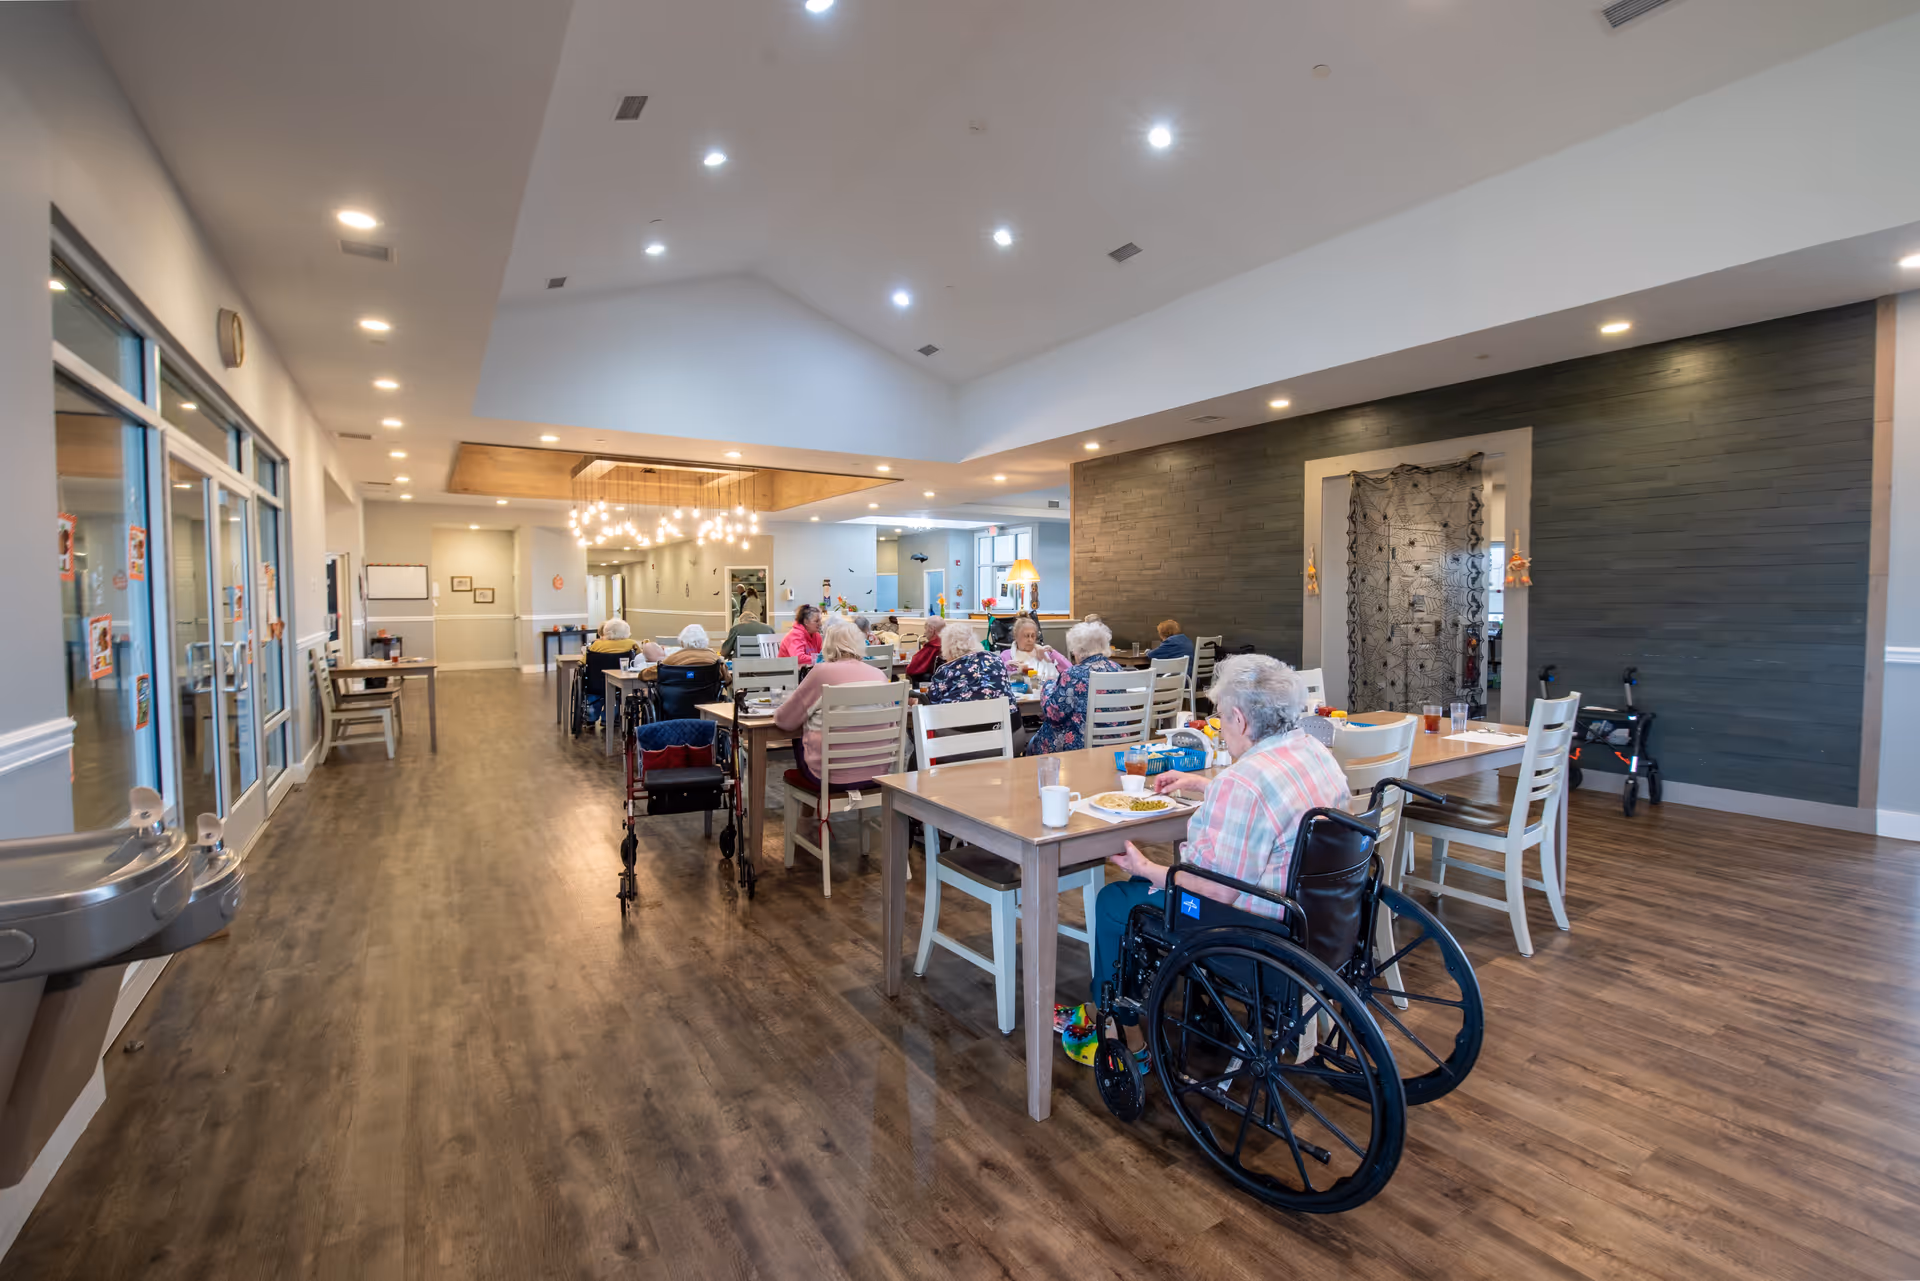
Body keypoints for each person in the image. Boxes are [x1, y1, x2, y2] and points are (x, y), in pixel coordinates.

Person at [1064, 656, 1351, 1043]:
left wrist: (1147, 866)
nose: (1221, 728)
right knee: (1142, 884)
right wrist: (1204, 785)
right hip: (1321, 919)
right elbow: (1269, 803)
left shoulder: (1244, 781)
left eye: (1221, 717)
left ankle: (1118, 1030)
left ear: (1241, 719)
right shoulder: (1315, 751)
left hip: (1254, 926)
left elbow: (1216, 891)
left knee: (1116, 899)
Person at [773, 618, 888, 790]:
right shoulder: (879, 675)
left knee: (800, 738)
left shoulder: (821, 673)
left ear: (827, 644)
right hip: (878, 771)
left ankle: (808, 815)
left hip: (830, 775)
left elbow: (785, 721)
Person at [1024, 620, 1124, 755]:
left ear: (1077, 649)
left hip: (1079, 745)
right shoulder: (1116, 668)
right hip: (1116, 740)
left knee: (1032, 744)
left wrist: (1048, 685)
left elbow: (1053, 714)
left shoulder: (1073, 674)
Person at [923, 619, 1012, 706]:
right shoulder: (996, 661)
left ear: (947, 649)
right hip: (1004, 718)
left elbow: (931, 704)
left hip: (960, 720)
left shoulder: (945, 672)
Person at [640, 623, 723, 680]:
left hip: (677, 702)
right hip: (708, 702)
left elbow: (649, 674)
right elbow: (727, 679)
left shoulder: (674, 658)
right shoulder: (715, 658)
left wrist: (642, 673)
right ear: (705, 641)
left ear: (683, 642)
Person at [1000, 616, 1066, 684]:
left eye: (1033, 636)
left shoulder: (1045, 653)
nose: (1030, 640)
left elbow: (1069, 670)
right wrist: (1007, 666)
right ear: (1016, 636)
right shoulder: (1006, 655)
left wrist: (1053, 653)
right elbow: (999, 678)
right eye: (1026, 636)